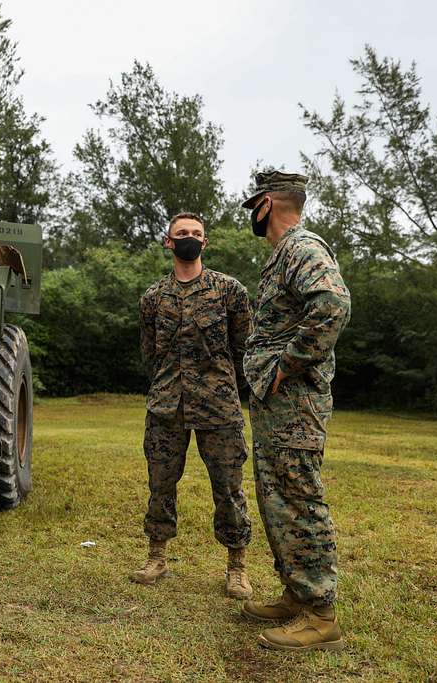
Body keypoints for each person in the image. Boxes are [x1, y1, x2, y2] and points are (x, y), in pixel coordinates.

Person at [239, 171, 351, 651]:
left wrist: (289, 363)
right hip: (277, 405)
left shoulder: (303, 247)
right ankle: (297, 595)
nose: (250, 216)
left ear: (266, 204)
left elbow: (332, 304)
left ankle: (321, 615)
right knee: (278, 496)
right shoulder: (282, 256)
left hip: (295, 402)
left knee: (299, 496)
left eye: (252, 206)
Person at [133, 211, 254, 600]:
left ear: (206, 242)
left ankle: (237, 566)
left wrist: (226, 387)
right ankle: (157, 556)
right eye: (181, 233)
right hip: (167, 406)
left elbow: (243, 349)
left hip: (219, 408)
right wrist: (166, 385)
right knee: (161, 484)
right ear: (168, 242)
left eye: (196, 233)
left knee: (229, 488)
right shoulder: (153, 298)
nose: (189, 238)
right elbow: (149, 354)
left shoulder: (229, 291)